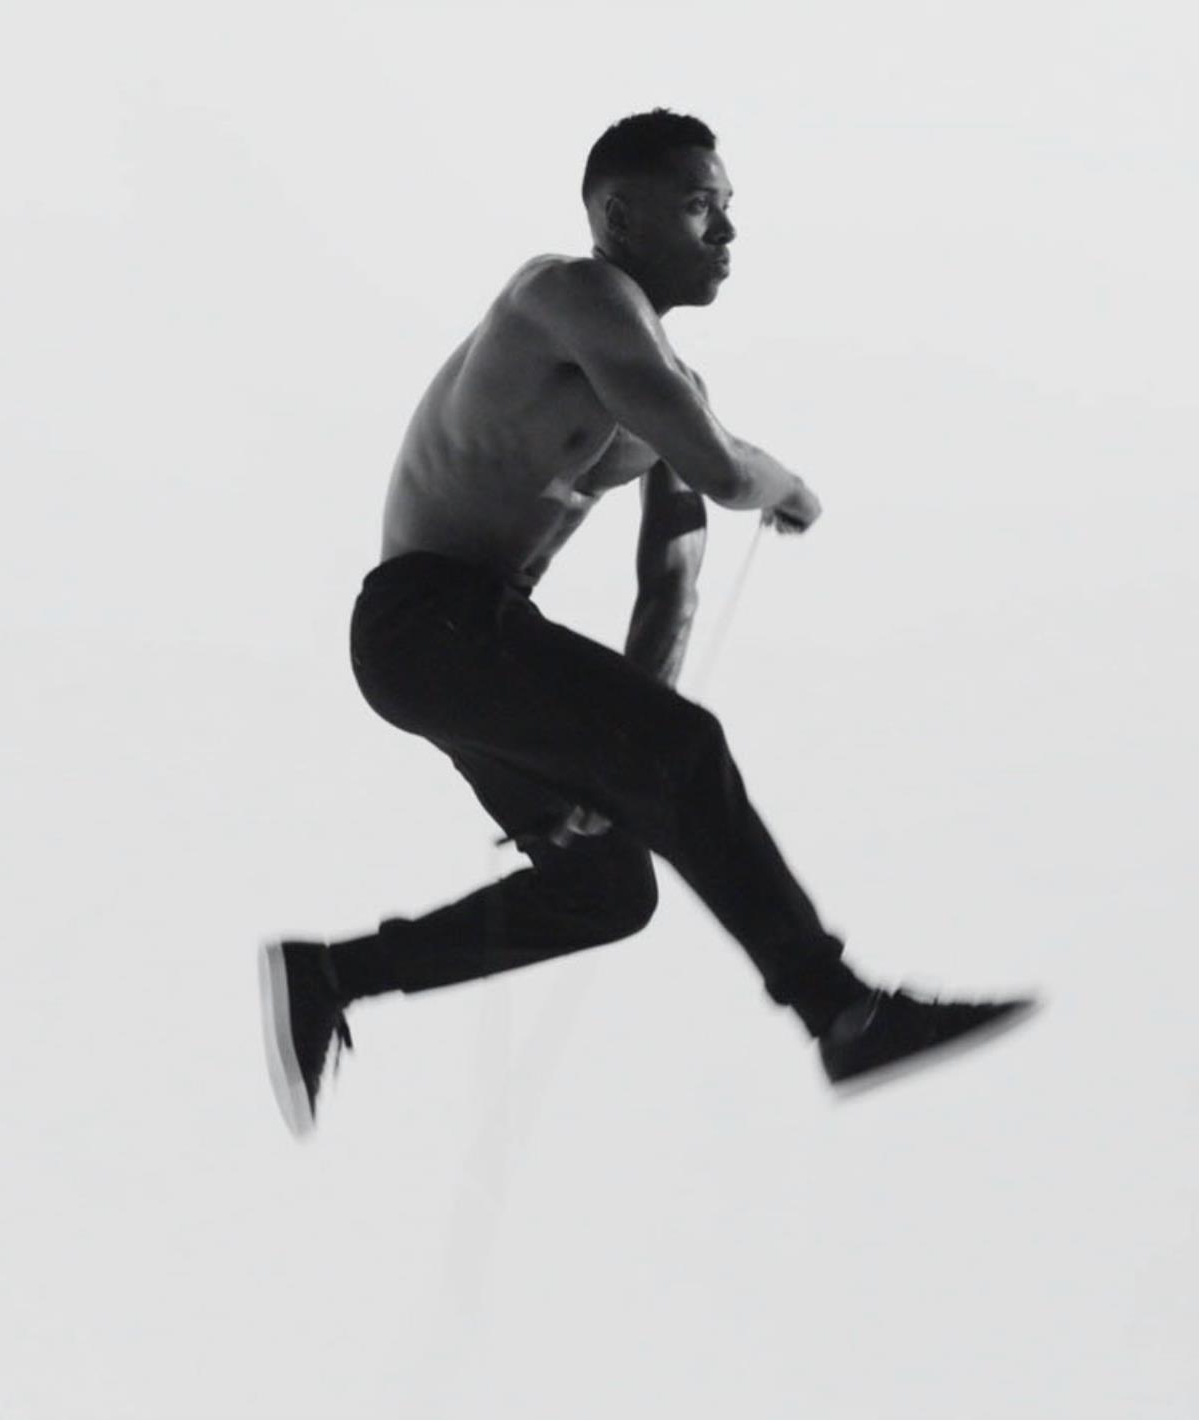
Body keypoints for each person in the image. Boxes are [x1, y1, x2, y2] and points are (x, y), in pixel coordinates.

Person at [261, 108, 1035, 1138]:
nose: (728, 231)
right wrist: (783, 483)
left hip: (476, 642)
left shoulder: (672, 391)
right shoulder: (567, 294)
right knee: (684, 750)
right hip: (422, 621)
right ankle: (841, 1012)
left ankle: (330, 974)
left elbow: (671, 581)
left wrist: (618, 760)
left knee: (608, 892)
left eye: (730, 209)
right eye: (702, 205)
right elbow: (726, 472)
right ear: (622, 216)